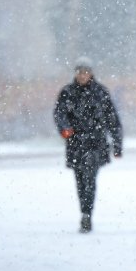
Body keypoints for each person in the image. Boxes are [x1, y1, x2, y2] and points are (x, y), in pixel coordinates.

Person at [53, 57, 122, 233]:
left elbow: (112, 119)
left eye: (85, 72)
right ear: (75, 74)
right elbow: (59, 114)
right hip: (75, 143)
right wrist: (65, 128)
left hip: (96, 143)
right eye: (79, 72)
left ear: (91, 73)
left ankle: (87, 214)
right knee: (80, 180)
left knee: (90, 179)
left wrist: (117, 143)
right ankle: (84, 210)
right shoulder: (67, 92)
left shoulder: (100, 92)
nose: (82, 75)